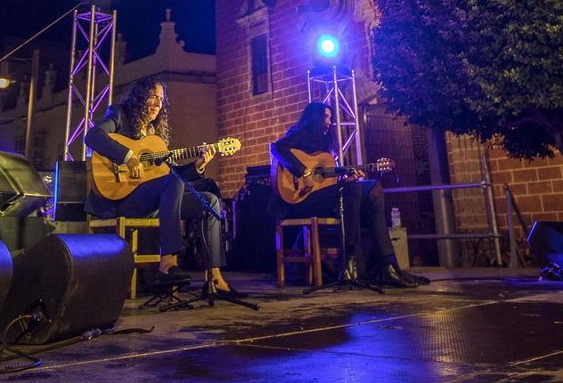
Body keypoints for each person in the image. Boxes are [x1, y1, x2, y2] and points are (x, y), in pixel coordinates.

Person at [83, 79, 236, 293]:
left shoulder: (154, 136)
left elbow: (171, 173)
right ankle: (168, 262)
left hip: (154, 201)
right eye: (153, 97)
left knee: (209, 201)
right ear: (139, 97)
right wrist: (127, 157)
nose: (158, 103)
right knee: (171, 184)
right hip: (122, 199)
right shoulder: (119, 114)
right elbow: (92, 136)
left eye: (161, 99)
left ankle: (215, 278)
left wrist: (198, 166)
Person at [269, 101, 422, 288]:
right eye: (325, 117)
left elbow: (327, 185)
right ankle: (350, 262)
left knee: (371, 196)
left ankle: (386, 266)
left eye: (331, 118)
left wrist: (347, 181)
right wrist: (304, 172)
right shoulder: (298, 134)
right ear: (313, 117)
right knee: (355, 190)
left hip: (318, 200)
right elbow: (277, 148)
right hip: (296, 201)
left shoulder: (325, 146)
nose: (329, 122)